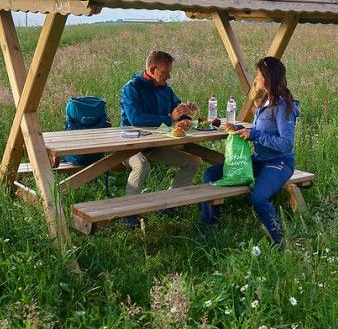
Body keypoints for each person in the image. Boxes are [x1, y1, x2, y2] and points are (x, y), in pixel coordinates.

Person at [199, 56, 299, 244]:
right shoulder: (266, 102)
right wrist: (240, 130)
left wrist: (254, 135)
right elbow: (260, 131)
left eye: (259, 74)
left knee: (258, 198)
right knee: (211, 174)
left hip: (279, 163)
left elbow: (286, 144)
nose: (256, 78)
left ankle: (280, 241)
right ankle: (210, 226)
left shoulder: (283, 105)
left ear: (268, 77)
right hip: (259, 160)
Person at [120, 51, 200, 199]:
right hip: (130, 144)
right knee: (142, 166)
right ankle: (128, 212)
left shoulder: (166, 90)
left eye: (169, 72)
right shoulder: (131, 88)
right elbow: (135, 119)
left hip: (157, 144)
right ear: (151, 70)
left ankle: (171, 202)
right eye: (165, 72)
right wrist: (170, 118)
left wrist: (186, 113)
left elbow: (177, 112)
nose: (168, 76)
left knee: (193, 162)